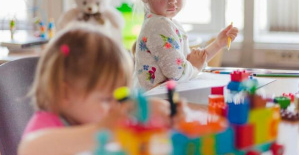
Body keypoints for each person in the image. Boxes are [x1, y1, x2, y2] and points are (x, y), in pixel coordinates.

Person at [18, 23, 182, 155]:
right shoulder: (47, 125)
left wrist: (151, 110)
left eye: (120, 97)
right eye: (106, 99)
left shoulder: (88, 118)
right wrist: (104, 130)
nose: (117, 106)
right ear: (65, 93)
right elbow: (30, 148)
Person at [134, 0, 238, 91]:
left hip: (159, 101)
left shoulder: (166, 22)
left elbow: (185, 62)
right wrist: (195, 66)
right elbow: (177, 72)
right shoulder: (159, 25)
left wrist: (218, 44)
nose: (172, 0)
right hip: (157, 103)